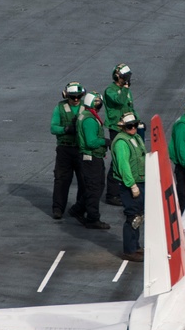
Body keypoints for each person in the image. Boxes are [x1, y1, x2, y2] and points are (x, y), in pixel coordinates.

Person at [68, 91, 110, 229]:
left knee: (96, 186)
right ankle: (92, 218)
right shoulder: (90, 120)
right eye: (97, 101)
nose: (99, 104)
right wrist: (105, 141)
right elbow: (91, 142)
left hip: (90, 158)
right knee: (94, 188)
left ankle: (77, 209)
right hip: (91, 158)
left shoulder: (85, 116)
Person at [111, 111, 146, 262]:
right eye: (129, 126)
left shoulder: (136, 137)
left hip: (140, 180)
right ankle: (129, 250)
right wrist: (132, 185)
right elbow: (124, 166)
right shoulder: (121, 143)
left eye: (134, 125)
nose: (133, 128)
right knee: (132, 216)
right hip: (131, 184)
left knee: (138, 216)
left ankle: (135, 246)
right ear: (123, 127)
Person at [104, 63, 138, 206]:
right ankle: (112, 194)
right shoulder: (110, 91)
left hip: (128, 126)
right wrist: (124, 89)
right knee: (117, 161)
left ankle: (124, 188)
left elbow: (130, 106)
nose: (127, 79)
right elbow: (120, 101)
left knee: (130, 158)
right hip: (117, 128)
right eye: (125, 77)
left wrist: (137, 121)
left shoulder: (126, 90)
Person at [50, 81, 85, 219]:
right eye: (72, 97)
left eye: (78, 97)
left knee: (84, 180)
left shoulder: (86, 108)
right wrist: (66, 129)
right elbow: (53, 128)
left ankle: (80, 208)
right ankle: (58, 208)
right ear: (66, 95)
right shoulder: (59, 108)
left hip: (81, 149)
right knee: (61, 180)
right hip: (65, 148)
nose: (75, 100)